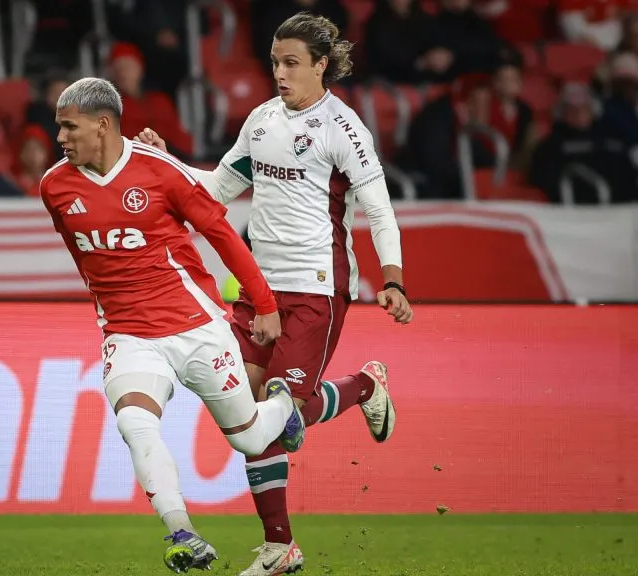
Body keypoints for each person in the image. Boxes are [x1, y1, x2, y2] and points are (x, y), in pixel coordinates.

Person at [135, 13, 410, 576]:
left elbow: (379, 209)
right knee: (246, 412)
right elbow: (216, 188)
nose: (280, 74)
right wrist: (164, 160)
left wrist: (392, 278)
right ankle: (280, 545)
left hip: (317, 288)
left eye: (291, 64)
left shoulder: (345, 129)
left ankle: (361, 388)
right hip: (261, 289)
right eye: (275, 63)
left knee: (278, 412)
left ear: (321, 66)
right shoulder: (260, 121)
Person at [40, 77, 307, 573]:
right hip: (128, 334)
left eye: (68, 127)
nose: (60, 138)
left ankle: (284, 405)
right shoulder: (54, 187)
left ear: (102, 125)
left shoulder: (159, 172)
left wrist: (265, 304)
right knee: (134, 422)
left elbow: (222, 234)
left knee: (249, 439)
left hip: (195, 325)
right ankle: (182, 532)